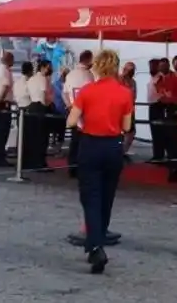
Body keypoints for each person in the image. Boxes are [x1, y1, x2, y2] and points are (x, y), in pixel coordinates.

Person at [66, 49, 133, 274]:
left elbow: (71, 121)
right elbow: (126, 126)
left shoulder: (87, 91)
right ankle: (99, 239)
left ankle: (95, 245)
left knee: (90, 197)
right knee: (107, 197)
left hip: (90, 145)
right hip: (113, 146)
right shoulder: (125, 93)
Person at [155, 56, 177, 181]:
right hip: (170, 112)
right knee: (170, 141)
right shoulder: (166, 79)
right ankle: (173, 168)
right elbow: (160, 92)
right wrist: (167, 96)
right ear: (173, 65)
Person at [63, 51, 94, 178]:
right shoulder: (88, 75)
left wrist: (69, 106)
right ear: (88, 60)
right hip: (85, 112)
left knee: (74, 140)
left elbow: (64, 93)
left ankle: (72, 166)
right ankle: (81, 167)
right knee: (84, 141)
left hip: (72, 109)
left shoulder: (70, 74)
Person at [145, 59, 164, 163]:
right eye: (150, 66)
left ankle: (159, 155)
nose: (151, 68)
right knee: (154, 130)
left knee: (158, 131)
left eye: (153, 66)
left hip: (158, 105)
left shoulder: (160, 77)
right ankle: (157, 154)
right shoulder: (152, 78)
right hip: (152, 105)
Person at [120, 61, 138, 159]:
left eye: (132, 70)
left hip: (130, 109)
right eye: (128, 69)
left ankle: (123, 150)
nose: (130, 72)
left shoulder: (133, 82)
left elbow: (134, 96)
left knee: (131, 131)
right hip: (120, 110)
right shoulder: (119, 80)